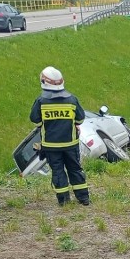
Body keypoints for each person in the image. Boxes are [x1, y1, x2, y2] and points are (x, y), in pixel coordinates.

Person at [30, 66, 89, 206]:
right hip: (70, 144)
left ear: (44, 82)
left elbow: (35, 120)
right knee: (75, 169)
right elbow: (80, 119)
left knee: (58, 171)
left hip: (51, 146)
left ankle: (64, 201)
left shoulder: (41, 101)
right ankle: (84, 198)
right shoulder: (72, 99)